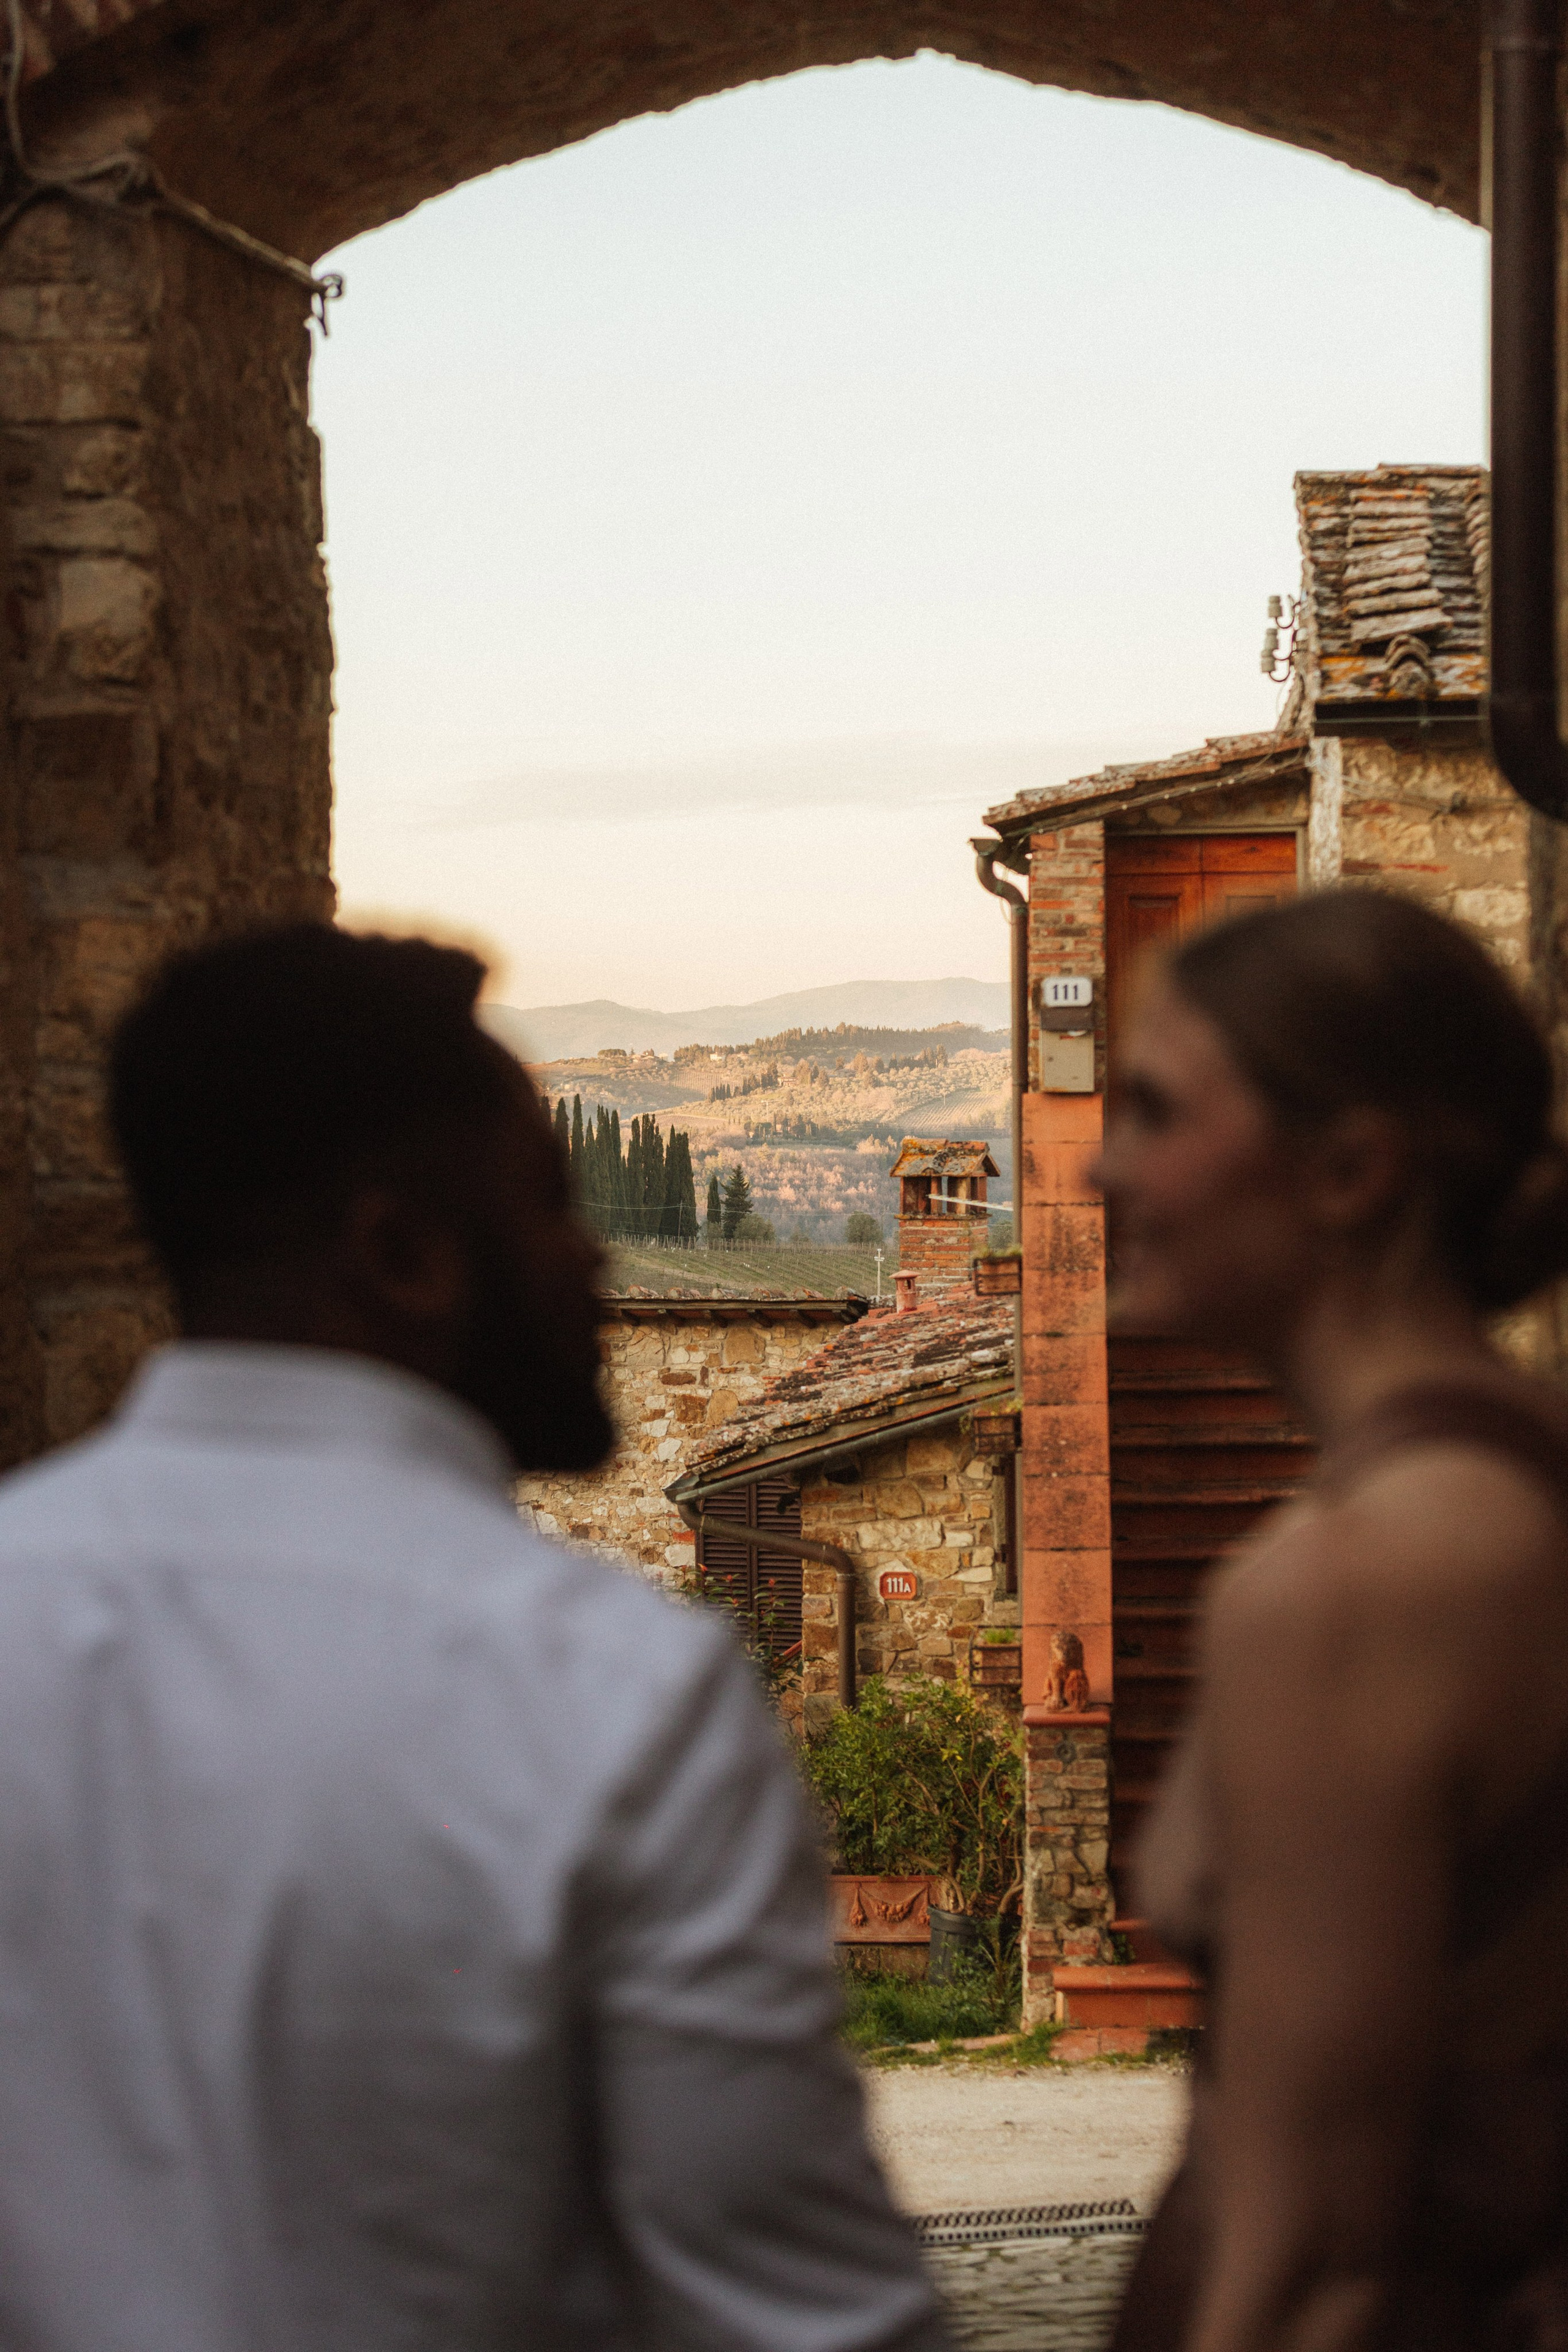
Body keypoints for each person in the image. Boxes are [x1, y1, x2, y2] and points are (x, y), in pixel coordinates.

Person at [0, 923, 948, 2352]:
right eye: (551, 1206)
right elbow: (802, 2314)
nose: (586, 1263)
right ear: (402, 1254)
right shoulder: (611, 1693)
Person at [1098, 888, 1568, 2352]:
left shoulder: (1352, 1584)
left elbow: (1316, 2261)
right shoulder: (1522, 1484)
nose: (1101, 1168)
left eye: (1155, 1111)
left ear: (1349, 1169)